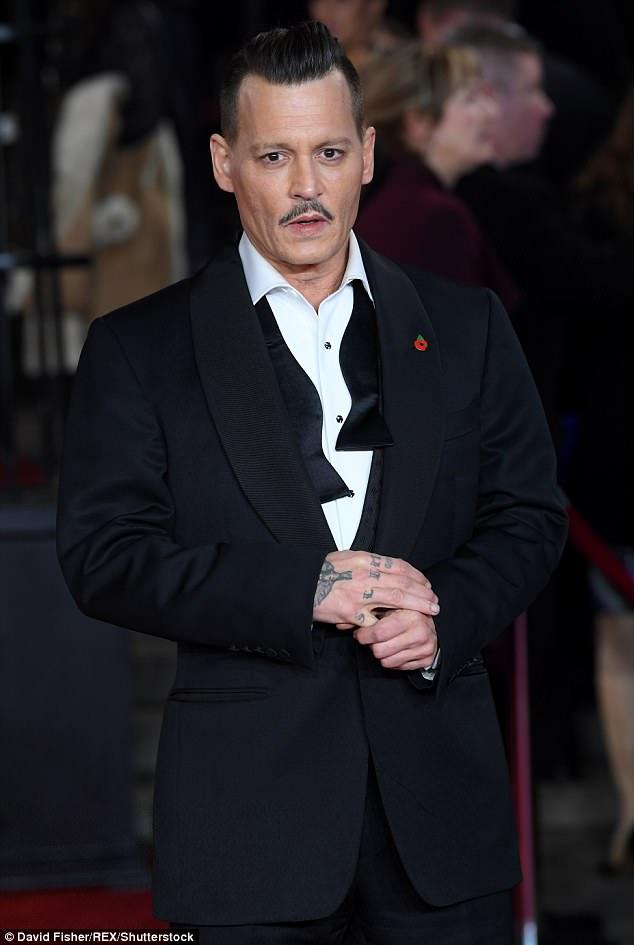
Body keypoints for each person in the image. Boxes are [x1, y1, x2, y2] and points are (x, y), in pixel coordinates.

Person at [57, 21, 567, 944]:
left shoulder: (467, 325)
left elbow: (528, 514)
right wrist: (303, 588)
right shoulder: (139, 349)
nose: (306, 186)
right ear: (224, 163)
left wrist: (447, 613)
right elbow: (104, 554)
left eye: (329, 152)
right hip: (248, 827)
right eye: (274, 156)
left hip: (442, 824)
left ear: (367, 153)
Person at [356, 42, 519, 311]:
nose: (490, 112)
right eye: (470, 99)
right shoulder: (432, 216)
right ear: (419, 123)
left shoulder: (391, 195)